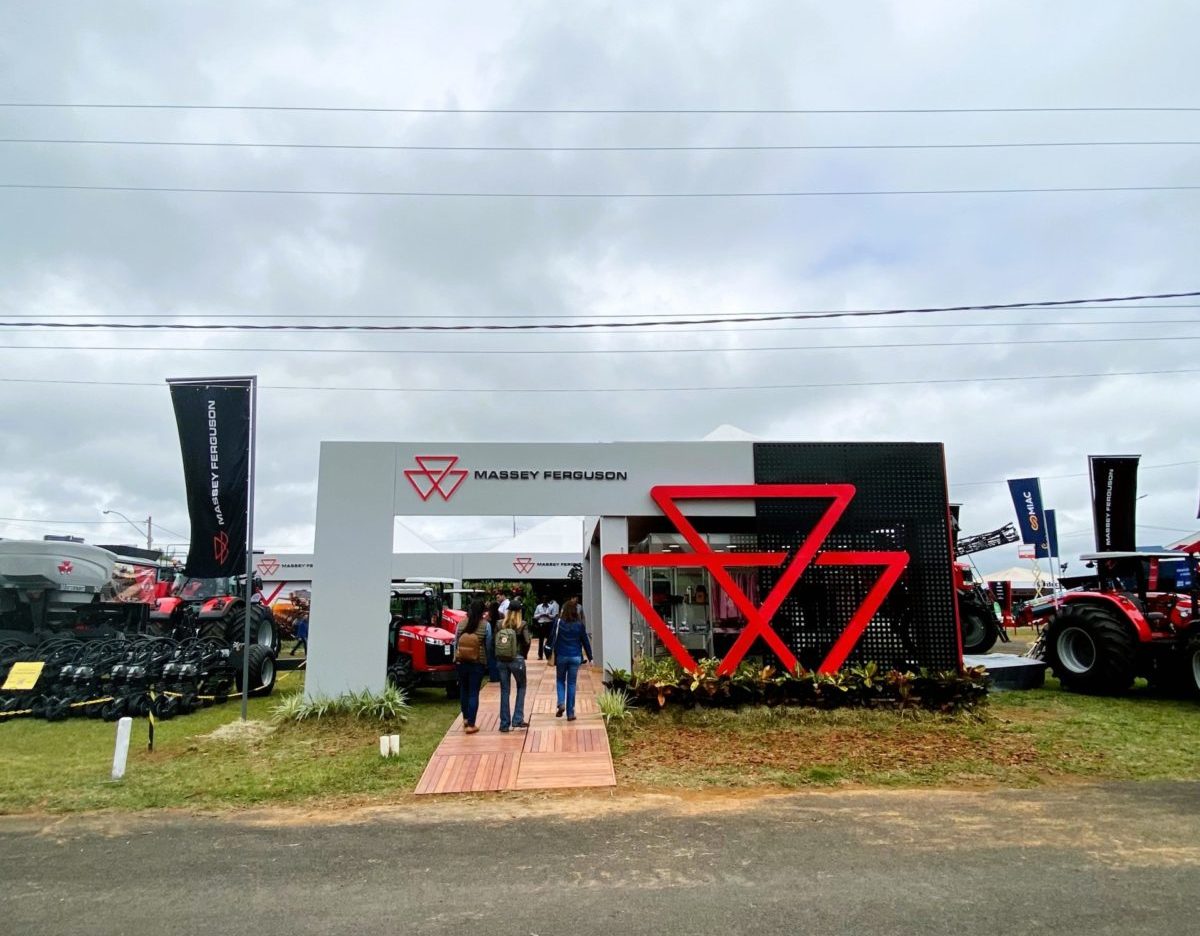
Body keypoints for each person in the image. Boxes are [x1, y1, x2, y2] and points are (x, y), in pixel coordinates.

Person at [550, 598, 593, 721]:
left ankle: (561, 702)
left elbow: (552, 637)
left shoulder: (558, 622)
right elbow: (585, 641)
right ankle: (570, 713)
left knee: (560, 680)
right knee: (572, 684)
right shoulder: (579, 625)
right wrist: (590, 657)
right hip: (575, 657)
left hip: (561, 656)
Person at [454, 600, 492, 734]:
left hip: (461, 662)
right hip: (477, 663)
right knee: (473, 692)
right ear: (482, 612)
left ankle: (465, 718)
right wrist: (487, 661)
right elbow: (488, 645)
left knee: (464, 690)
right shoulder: (486, 625)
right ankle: (471, 724)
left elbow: (456, 642)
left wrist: (456, 658)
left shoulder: (461, 623)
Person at [494, 600, 531, 732]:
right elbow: (527, 641)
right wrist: (524, 654)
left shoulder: (500, 624)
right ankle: (517, 719)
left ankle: (504, 723)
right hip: (517, 658)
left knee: (505, 690)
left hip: (502, 660)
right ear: (520, 612)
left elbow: (495, 640)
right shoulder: (522, 624)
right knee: (521, 687)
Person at [533, 595, 559, 662]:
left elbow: (554, 616)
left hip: (549, 624)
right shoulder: (538, 606)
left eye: (546, 600)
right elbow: (535, 616)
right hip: (541, 624)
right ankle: (540, 655)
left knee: (550, 640)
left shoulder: (551, 607)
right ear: (542, 600)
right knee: (541, 641)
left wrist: (548, 615)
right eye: (543, 600)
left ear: (548, 601)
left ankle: (549, 655)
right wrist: (540, 615)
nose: (544, 601)